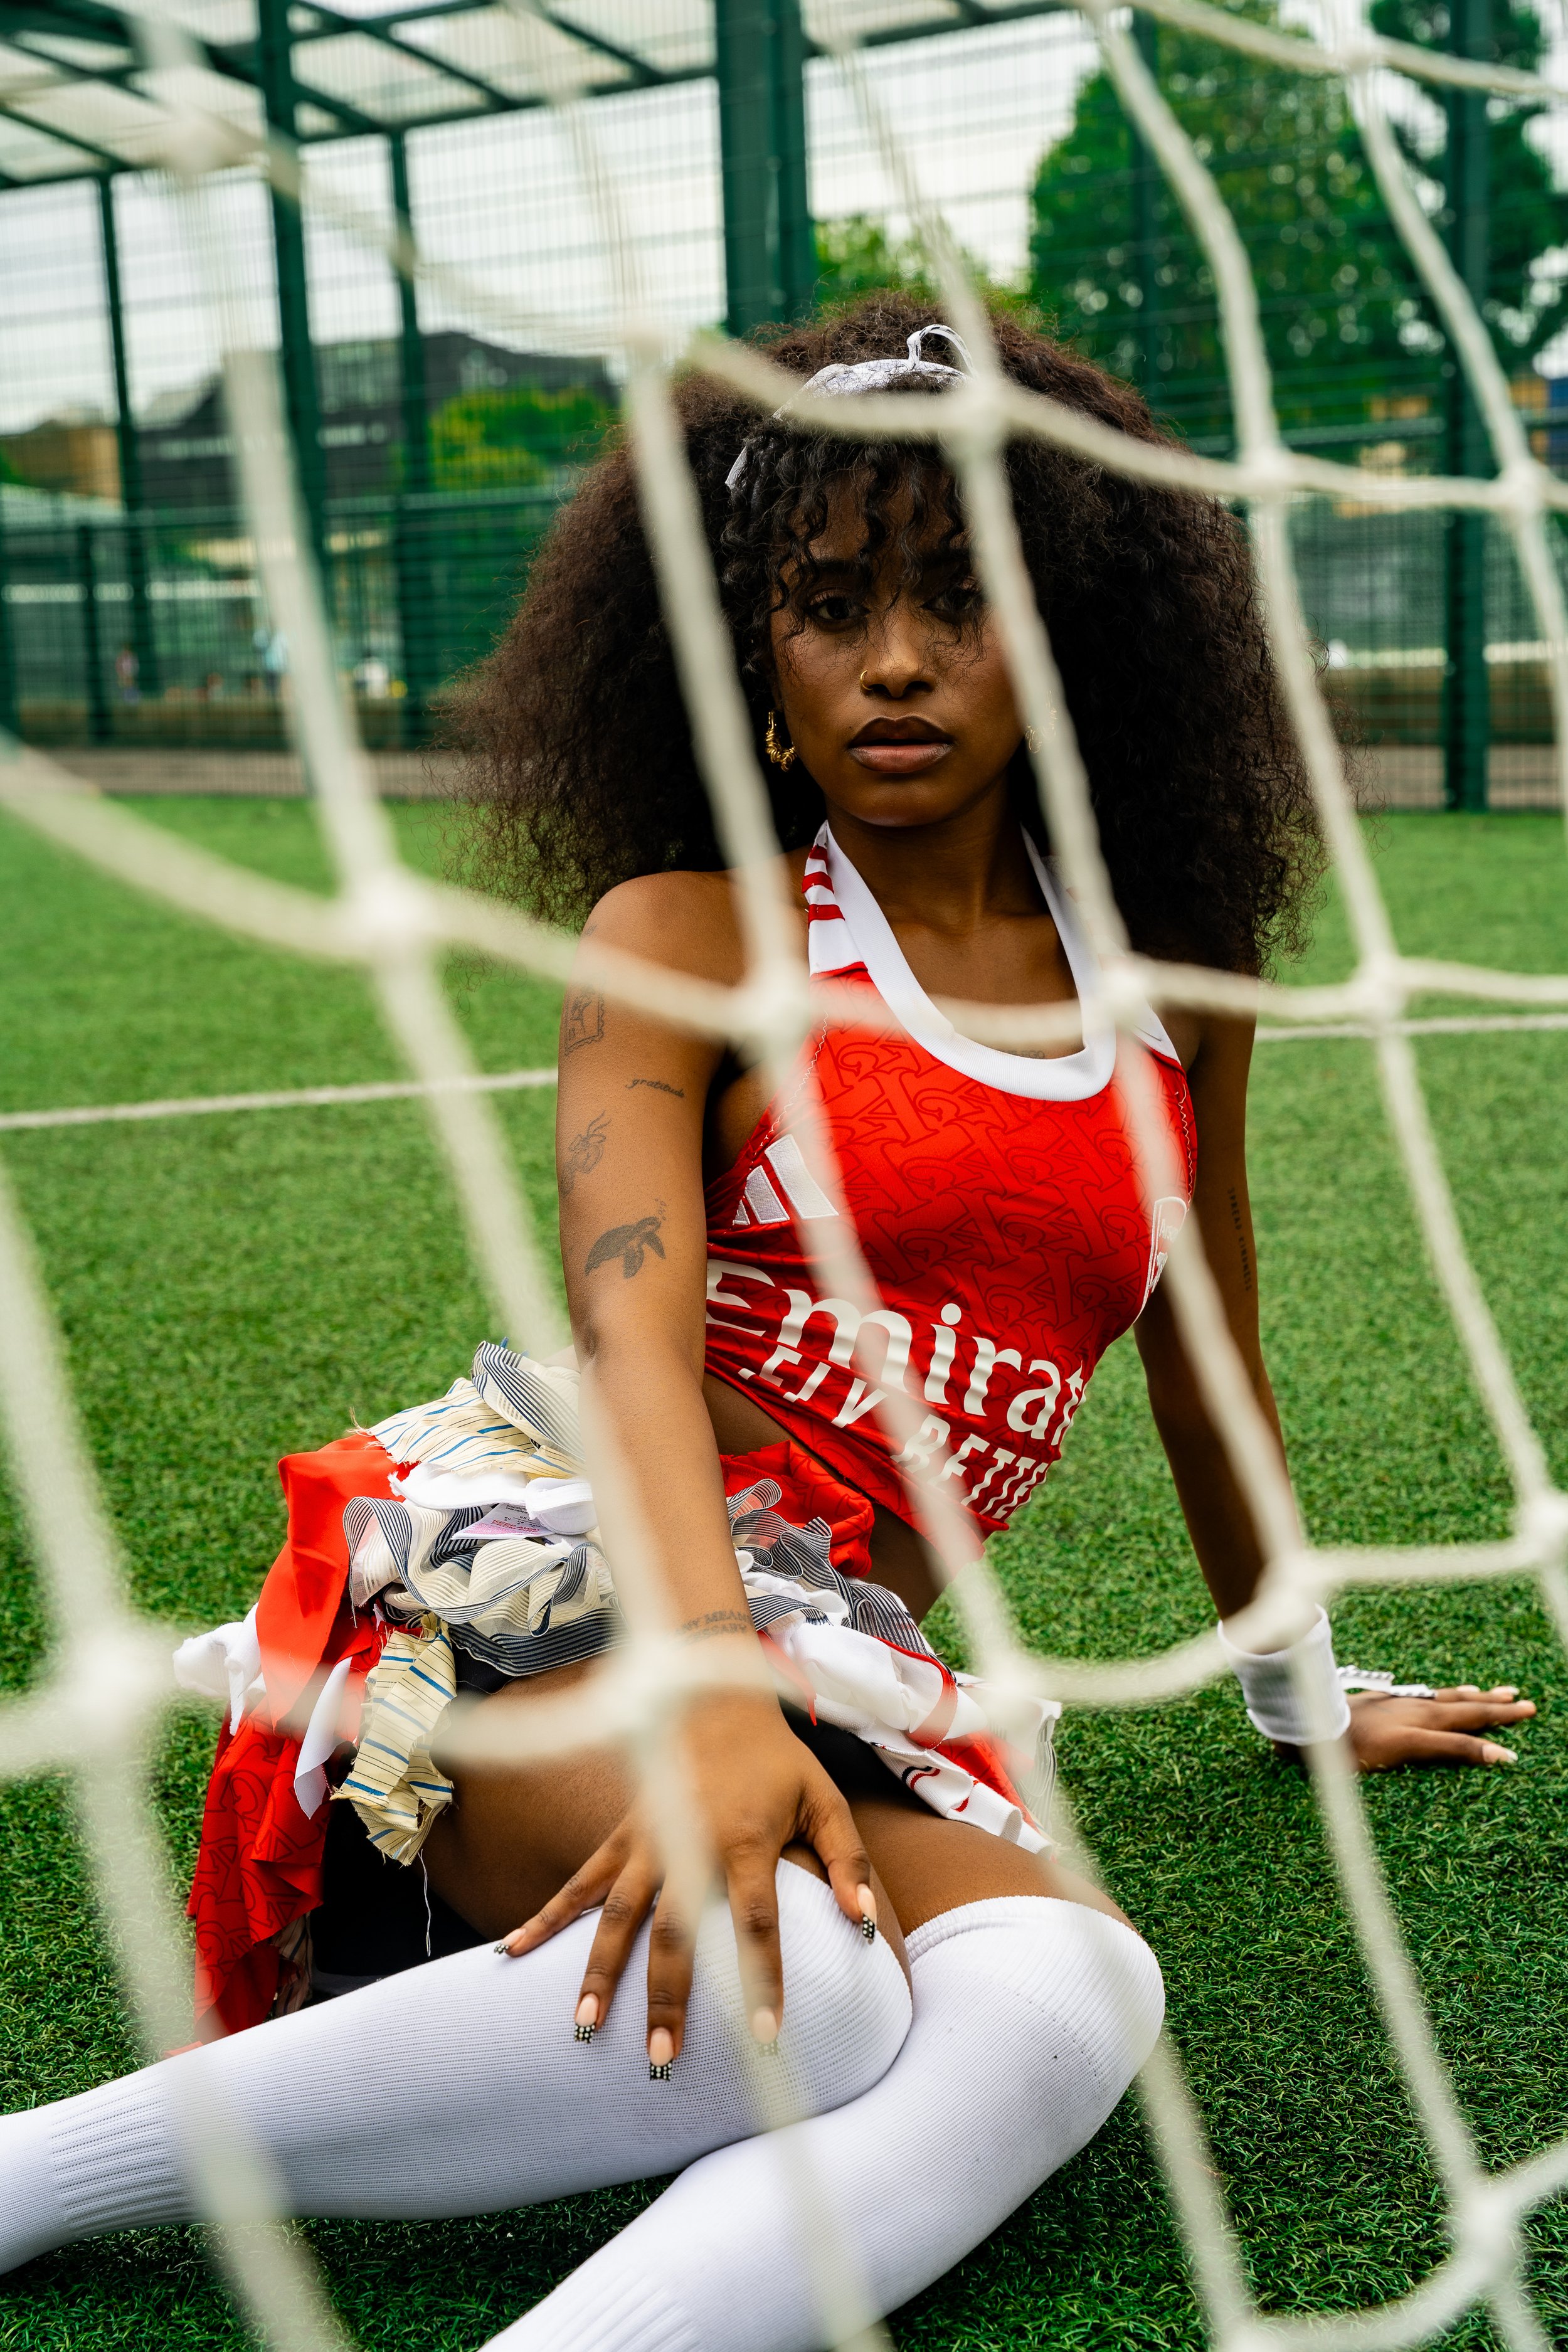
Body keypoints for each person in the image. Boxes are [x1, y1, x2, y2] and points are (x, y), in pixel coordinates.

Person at [0, 295, 1534, 2349]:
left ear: (1067, 632)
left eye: (956, 601)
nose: (892, 656)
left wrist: (1297, 1700)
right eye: (828, 604)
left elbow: (1207, 1354)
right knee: (797, 1988)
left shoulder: (1172, 977)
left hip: (862, 1656)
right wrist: (714, 1685)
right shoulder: (689, 929)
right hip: (574, 1554)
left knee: (1078, 1998)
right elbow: (621, 1330)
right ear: (757, 655)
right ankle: (42, 2176)